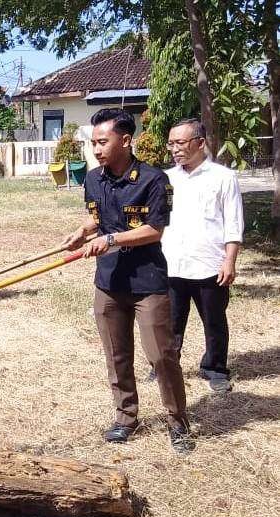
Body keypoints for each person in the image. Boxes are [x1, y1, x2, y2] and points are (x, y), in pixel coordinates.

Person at [61, 108, 192, 453]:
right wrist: (82, 231)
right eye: (93, 143)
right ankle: (125, 418)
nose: (97, 149)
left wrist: (113, 239)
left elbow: (155, 230)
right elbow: (97, 218)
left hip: (147, 281)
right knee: (117, 355)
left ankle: (177, 422)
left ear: (126, 140)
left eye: (103, 141)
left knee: (161, 356)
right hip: (109, 281)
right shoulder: (93, 179)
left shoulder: (154, 180)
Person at [162, 118, 244, 393]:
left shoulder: (223, 178)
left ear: (200, 142)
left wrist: (229, 260)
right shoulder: (166, 179)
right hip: (172, 263)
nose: (174, 149)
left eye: (180, 143)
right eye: (171, 143)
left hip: (210, 264)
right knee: (170, 322)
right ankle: (165, 365)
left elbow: (233, 223)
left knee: (214, 321)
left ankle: (215, 368)